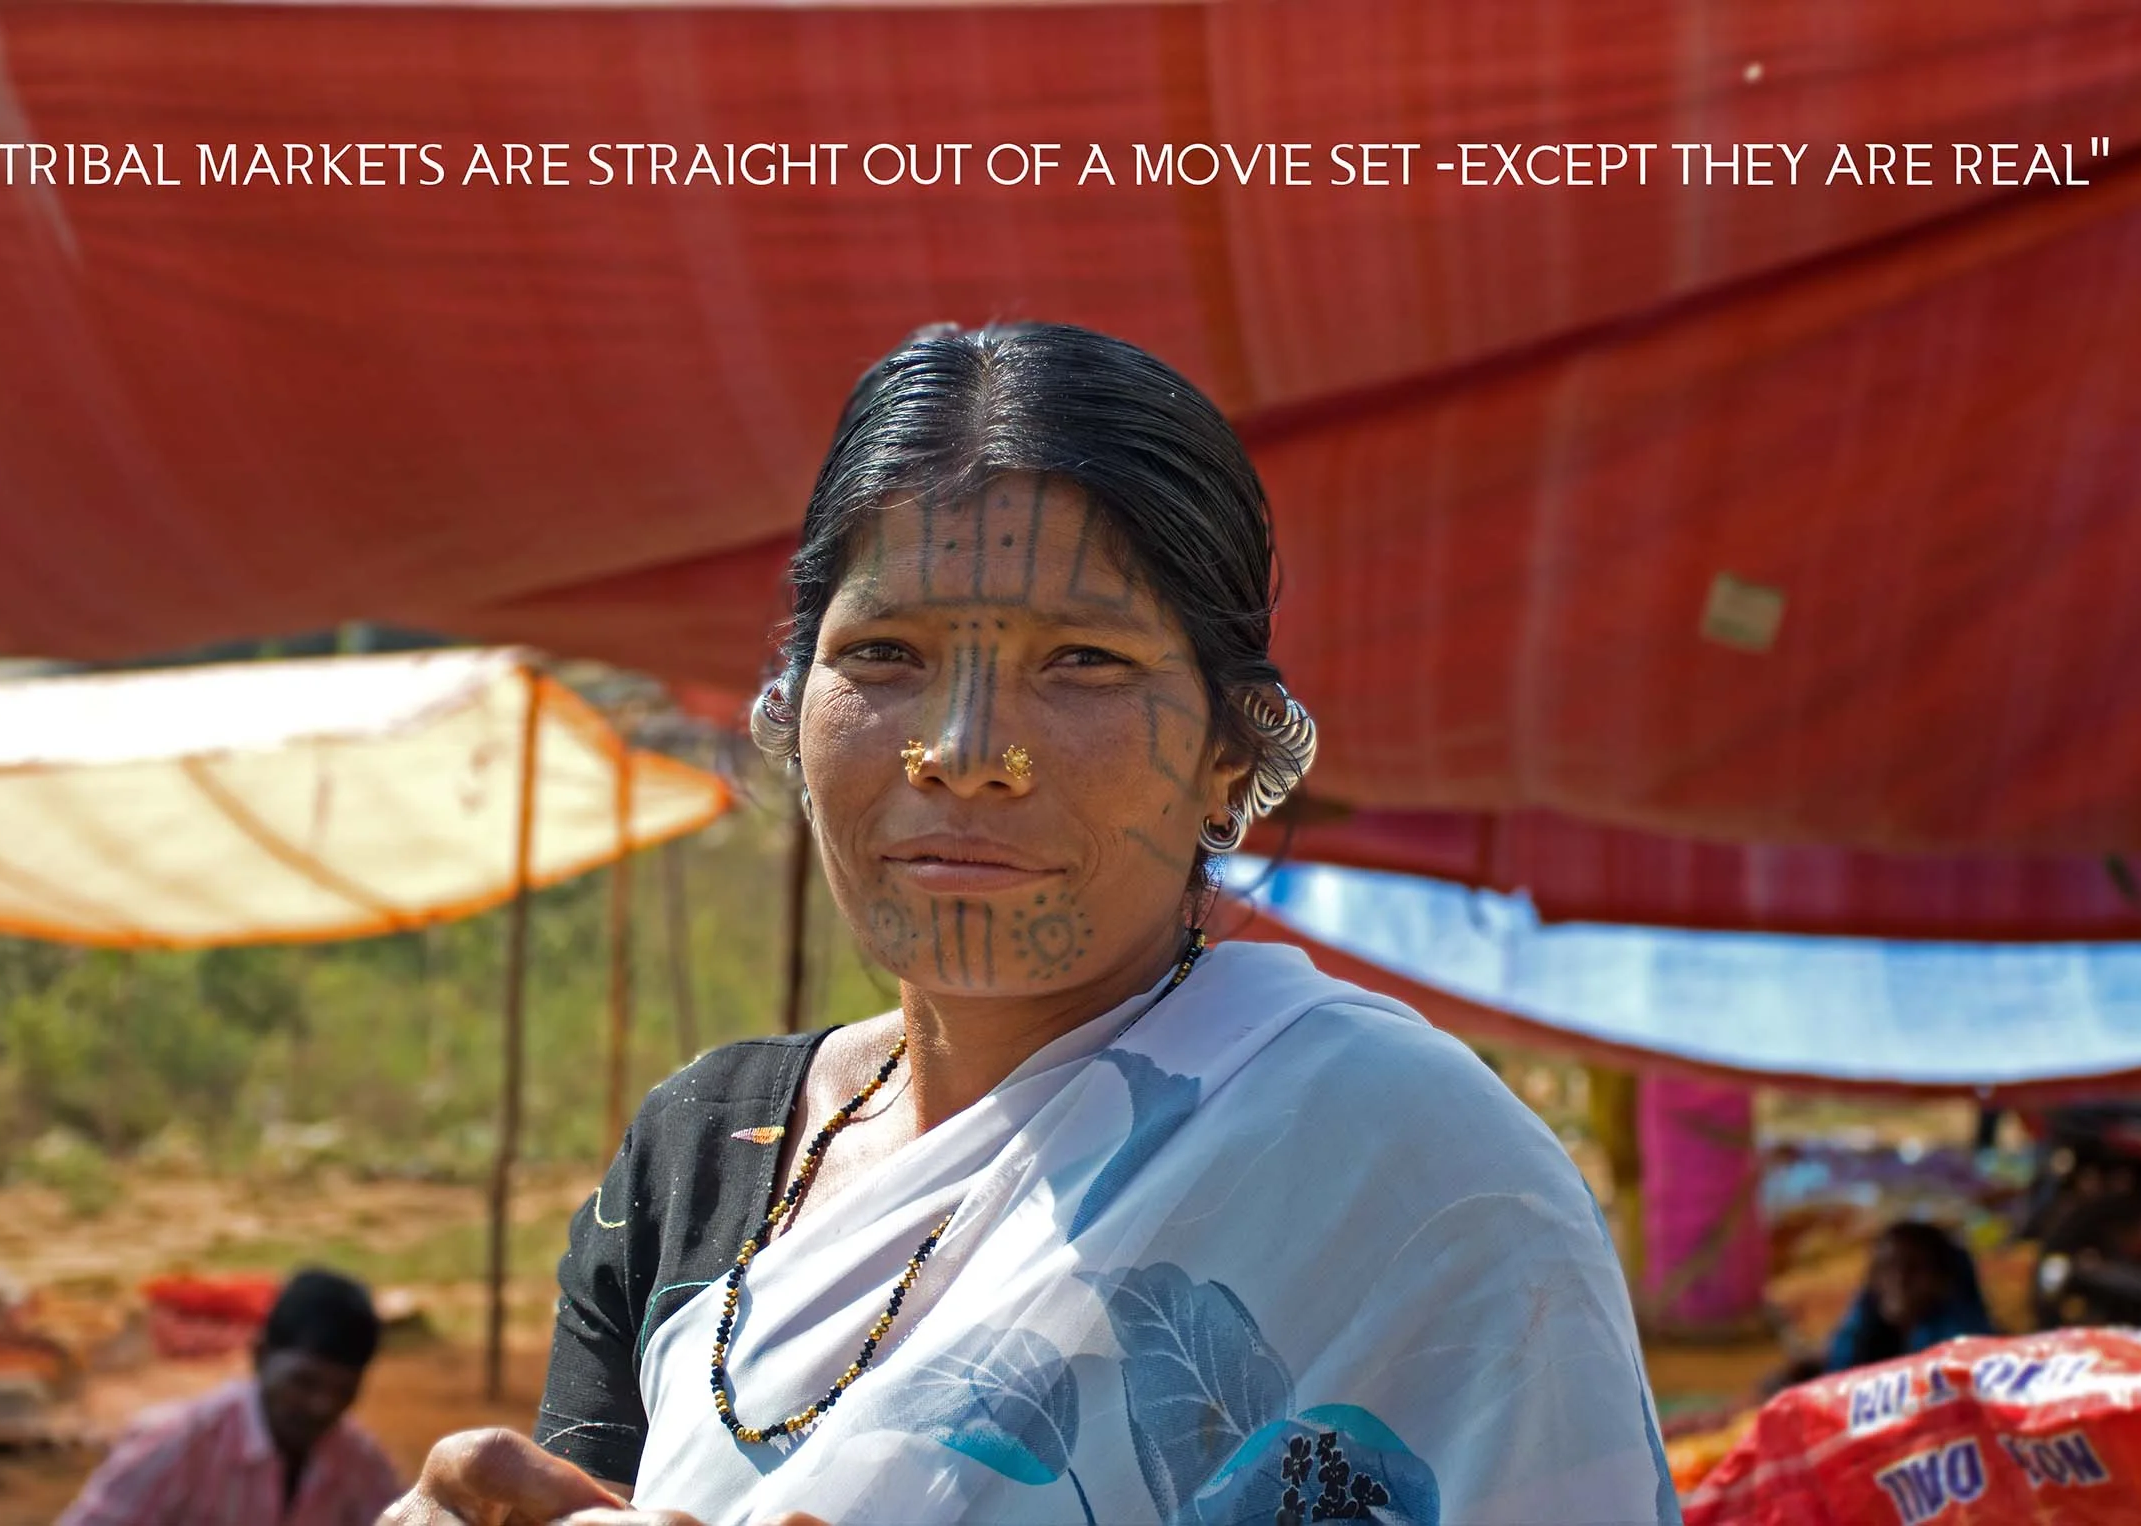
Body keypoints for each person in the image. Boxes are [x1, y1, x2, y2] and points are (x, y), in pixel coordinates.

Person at [385, 322, 1677, 1526]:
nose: (964, 752)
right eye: (885, 654)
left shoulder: (1407, 1164)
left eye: (1085, 663)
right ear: (791, 706)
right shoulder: (708, 1152)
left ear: (1234, 752)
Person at [62, 1267, 402, 1525]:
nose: (322, 1405)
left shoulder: (357, 1461)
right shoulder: (178, 1444)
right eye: (303, 1383)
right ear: (260, 1356)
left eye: (344, 1390)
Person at [1822, 1220, 1997, 1374]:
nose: (1899, 1280)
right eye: (1886, 1268)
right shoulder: (1857, 1345)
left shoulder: (1975, 1358)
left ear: (1943, 1279)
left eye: (1914, 1267)